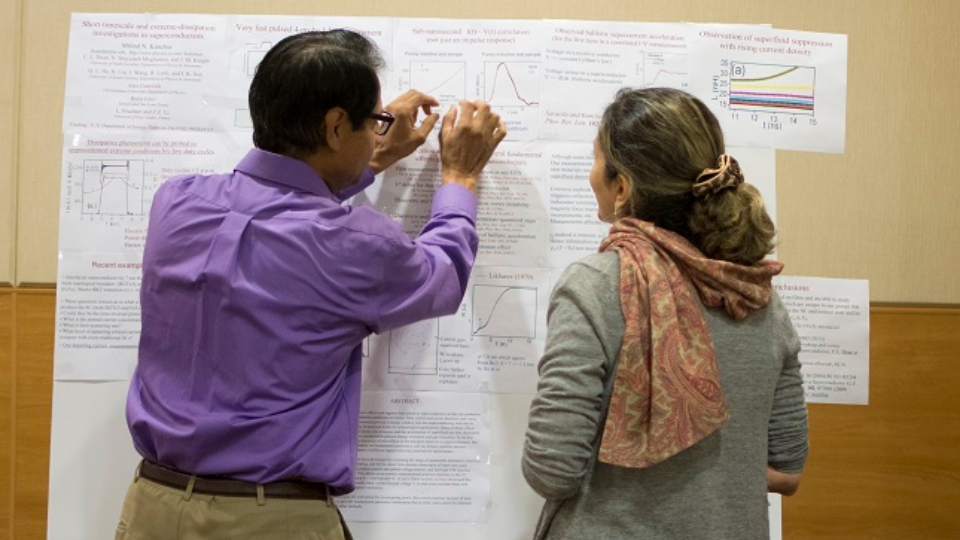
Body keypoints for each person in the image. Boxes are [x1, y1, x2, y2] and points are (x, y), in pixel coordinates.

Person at [115, 30, 506, 540]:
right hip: (267, 522)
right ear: (336, 126)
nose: (379, 132)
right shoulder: (354, 242)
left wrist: (367, 158)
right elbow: (443, 274)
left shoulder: (177, 202)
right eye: (374, 121)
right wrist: (459, 176)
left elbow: (282, 218)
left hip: (152, 505)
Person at [522, 87, 808, 540]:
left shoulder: (594, 286)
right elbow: (787, 470)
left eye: (595, 159)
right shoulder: (757, 296)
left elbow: (552, 470)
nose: (590, 173)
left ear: (622, 187)